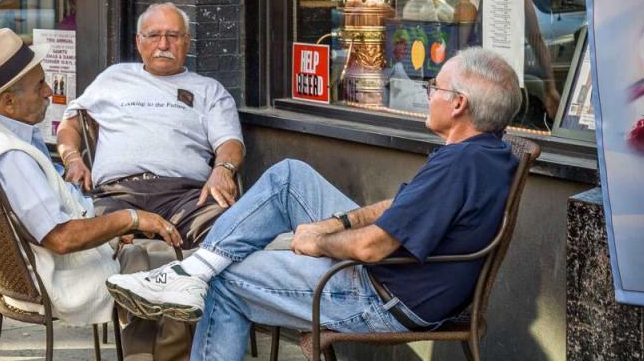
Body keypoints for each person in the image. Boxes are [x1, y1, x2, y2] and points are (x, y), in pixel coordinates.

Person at [107, 48, 524, 360]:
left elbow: (370, 249)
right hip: (395, 280)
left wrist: (318, 243)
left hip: (380, 296)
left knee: (225, 280)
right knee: (290, 176)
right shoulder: (484, 152)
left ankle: (196, 271)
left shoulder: (460, 165)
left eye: (435, 86)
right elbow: (398, 205)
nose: (428, 92)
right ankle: (193, 269)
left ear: (458, 104)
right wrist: (338, 221)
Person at [0, 28, 181, 359]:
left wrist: (108, 230)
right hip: (57, 280)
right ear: (9, 101)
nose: (48, 92)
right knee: (180, 287)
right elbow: (60, 239)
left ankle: (139, 352)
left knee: (147, 262)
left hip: (15, 276)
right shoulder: (9, 155)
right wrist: (129, 218)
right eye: (39, 86)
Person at [56, 2, 244, 250]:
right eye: (154, 35)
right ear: (138, 41)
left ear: (187, 41)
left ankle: (190, 285)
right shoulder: (114, 77)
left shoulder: (209, 89)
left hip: (186, 197)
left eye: (173, 36)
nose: (163, 45)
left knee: (228, 230)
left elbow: (231, 142)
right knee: (93, 237)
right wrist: (72, 159)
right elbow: (69, 125)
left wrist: (223, 170)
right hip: (117, 194)